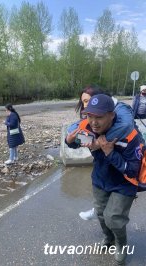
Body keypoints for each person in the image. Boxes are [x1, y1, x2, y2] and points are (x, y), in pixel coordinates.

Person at [66, 94, 143, 264]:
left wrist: (110, 152)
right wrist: (69, 141)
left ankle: (121, 244)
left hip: (124, 184)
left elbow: (132, 170)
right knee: (101, 214)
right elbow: (76, 141)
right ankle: (108, 239)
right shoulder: (89, 128)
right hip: (100, 181)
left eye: (99, 117)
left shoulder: (129, 135)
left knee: (113, 218)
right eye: (90, 115)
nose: (93, 121)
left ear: (112, 115)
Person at [67, 85, 135, 220]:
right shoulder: (90, 118)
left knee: (114, 218)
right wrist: (69, 140)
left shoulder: (120, 110)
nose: (85, 106)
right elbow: (73, 130)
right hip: (101, 172)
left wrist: (98, 143)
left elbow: (127, 126)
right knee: (102, 210)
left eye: (87, 101)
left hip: (122, 176)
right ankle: (98, 211)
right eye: (83, 102)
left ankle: (119, 239)